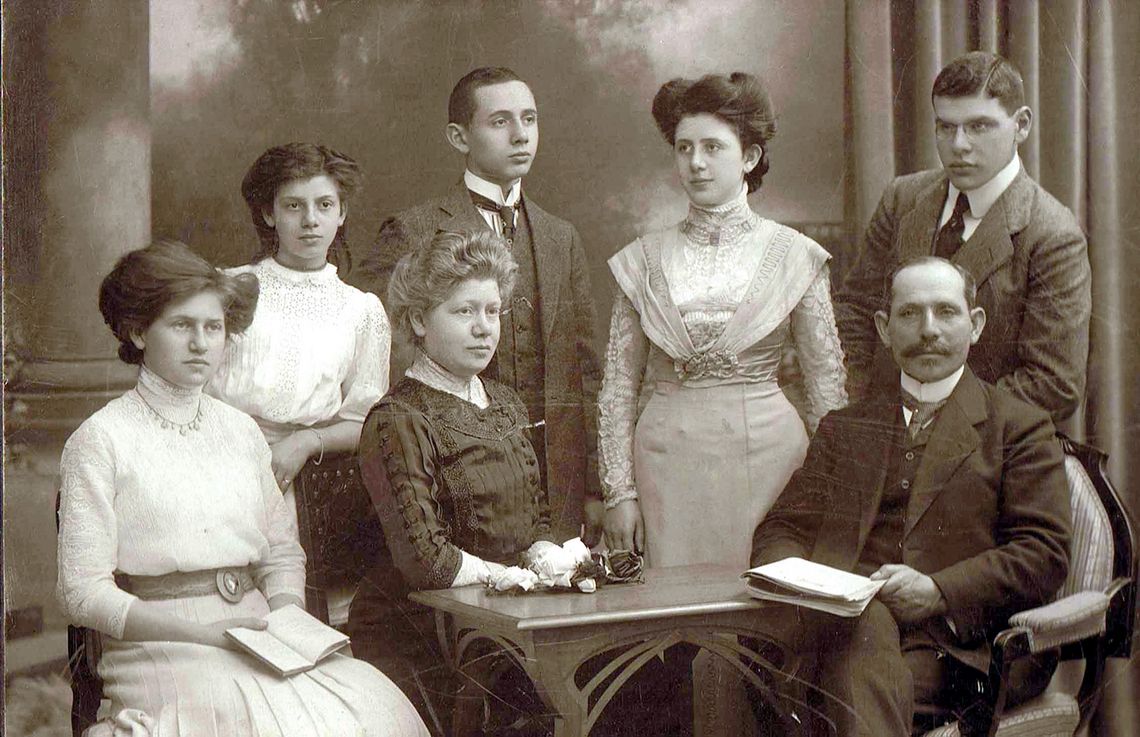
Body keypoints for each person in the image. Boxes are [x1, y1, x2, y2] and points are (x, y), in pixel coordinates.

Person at [56, 241, 427, 736]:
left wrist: (287, 620)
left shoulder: (240, 430)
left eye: (213, 327)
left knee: (372, 704)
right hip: (163, 645)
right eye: (182, 326)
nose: (201, 343)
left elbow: (281, 552)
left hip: (256, 631)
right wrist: (205, 634)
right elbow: (82, 593)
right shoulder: (101, 439)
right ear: (138, 331)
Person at [749, 256, 1071, 736]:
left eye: (946, 312)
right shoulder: (845, 428)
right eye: (909, 313)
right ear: (884, 328)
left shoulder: (1018, 427)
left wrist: (938, 591)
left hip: (956, 650)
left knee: (834, 678)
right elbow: (782, 528)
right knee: (732, 664)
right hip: (841, 630)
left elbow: (1044, 553)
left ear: (976, 324)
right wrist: (804, 587)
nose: (928, 330)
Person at [598, 72, 848, 569]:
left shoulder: (794, 254)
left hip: (771, 460)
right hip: (666, 466)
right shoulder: (642, 259)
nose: (695, 162)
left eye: (713, 147)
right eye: (684, 148)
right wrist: (618, 492)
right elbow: (619, 387)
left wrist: (834, 492)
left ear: (749, 157)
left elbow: (826, 387)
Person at [349, 66, 602, 545]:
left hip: (560, 489)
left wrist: (594, 486)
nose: (521, 135)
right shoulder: (413, 230)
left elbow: (585, 373)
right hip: (456, 494)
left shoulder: (560, 237)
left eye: (529, 119)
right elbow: (378, 357)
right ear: (459, 136)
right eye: (500, 121)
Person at [348, 229, 552, 734]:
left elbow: (536, 519)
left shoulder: (505, 403)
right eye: (464, 312)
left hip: (501, 623)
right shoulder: (398, 419)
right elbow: (428, 563)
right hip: (422, 635)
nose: (484, 329)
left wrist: (546, 557)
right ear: (419, 320)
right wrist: (509, 579)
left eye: (492, 311)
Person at [835, 51, 1091, 425]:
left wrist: (928, 425)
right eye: (945, 127)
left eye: (979, 126)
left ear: (1021, 125)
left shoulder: (1053, 234)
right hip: (882, 431)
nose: (958, 145)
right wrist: (862, 416)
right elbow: (854, 315)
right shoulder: (902, 198)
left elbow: (1053, 383)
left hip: (984, 445)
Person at [207, 143, 391, 624]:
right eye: (294, 206)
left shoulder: (361, 311)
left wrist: (306, 442)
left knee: (293, 608)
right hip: (216, 459)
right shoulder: (228, 288)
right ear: (269, 214)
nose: (311, 220)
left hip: (304, 479)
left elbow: (366, 420)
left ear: (341, 213)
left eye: (324, 205)